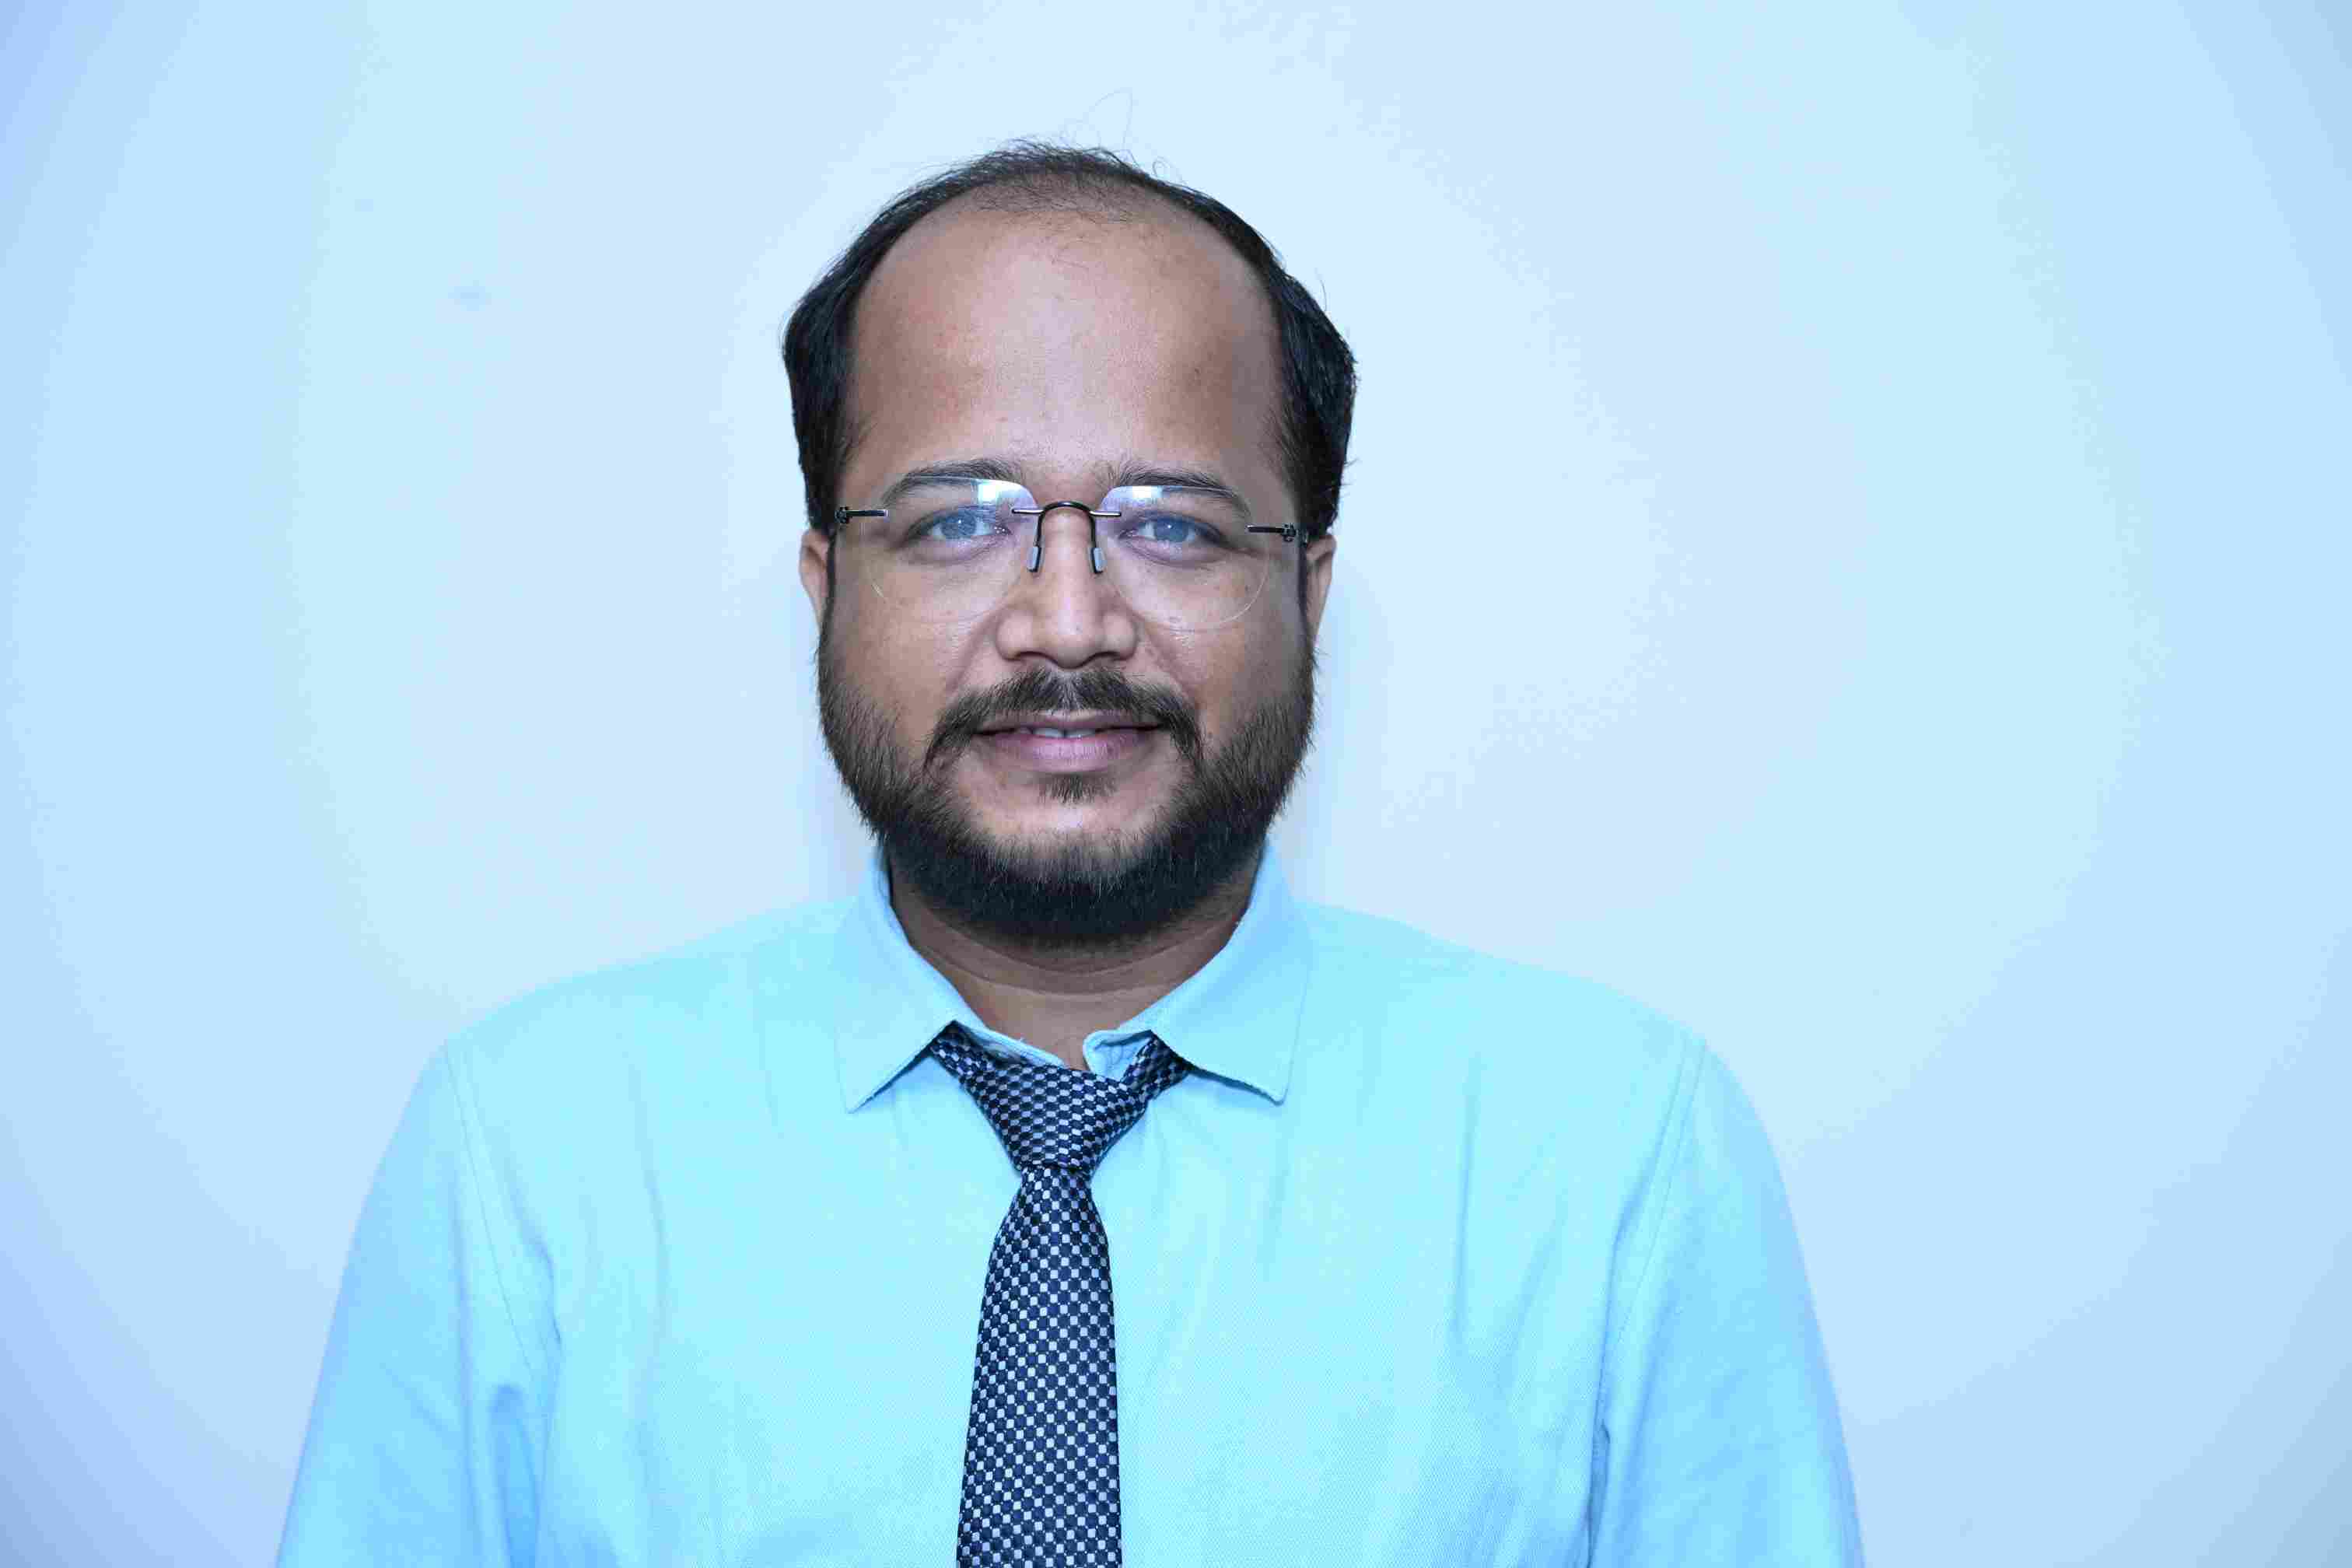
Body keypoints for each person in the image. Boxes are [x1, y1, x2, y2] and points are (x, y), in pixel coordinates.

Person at [277, 142, 1864, 1566]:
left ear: (1308, 594)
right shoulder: (532, 1156)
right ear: (827, 586)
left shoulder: (1613, 1159)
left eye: (1172, 522)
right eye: (957, 519)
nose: (1067, 619)